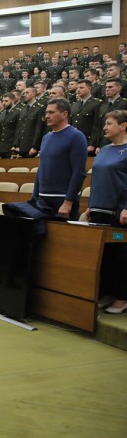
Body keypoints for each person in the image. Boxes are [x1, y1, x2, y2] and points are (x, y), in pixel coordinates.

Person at [84, 110, 127, 313]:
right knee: (105, 257)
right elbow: (97, 179)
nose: (105, 127)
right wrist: (91, 205)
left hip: (119, 212)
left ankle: (122, 296)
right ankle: (107, 293)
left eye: (109, 123)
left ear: (123, 125)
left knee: (121, 256)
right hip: (99, 209)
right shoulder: (106, 149)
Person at [32, 98, 88, 220]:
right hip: (42, 200)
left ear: (64, 114)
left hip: (62, 200)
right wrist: (35, 198)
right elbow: (41, 169)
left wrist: (68, 201)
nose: (47, 116)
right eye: (47, 112)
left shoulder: (76, 136)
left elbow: (79, 173)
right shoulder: (46, 137)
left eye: (51, 112)